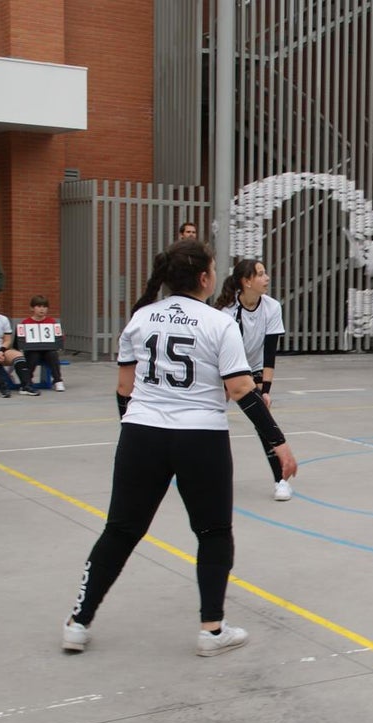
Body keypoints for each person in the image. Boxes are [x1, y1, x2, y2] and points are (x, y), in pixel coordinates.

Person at [62, 239, 297, 656]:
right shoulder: (218, 323)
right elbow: (242, 389)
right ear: (205, 278)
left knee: (119, 530)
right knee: (212, 532)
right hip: (200, 437)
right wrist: (277, 441)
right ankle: (211, 630)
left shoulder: (140, 319)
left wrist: (134, 435)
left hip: (142, 434)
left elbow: (124, 389)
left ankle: (78, 622)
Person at [213, 259, 292, 501]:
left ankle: (281, 480)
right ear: (246, 282)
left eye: (265, 272)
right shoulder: (226, 311)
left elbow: (270, 353)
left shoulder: (271, 307)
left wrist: (265, 390)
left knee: (263, 422)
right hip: (225, 368)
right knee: (211, 418)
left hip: (254, 368)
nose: (267, 278)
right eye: (260, 274)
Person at [0, 295, 40, 397]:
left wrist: (1, 351)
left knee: (18, 355)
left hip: (1, 349)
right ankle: (3, 386)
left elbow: (7, 340)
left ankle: (26, 386)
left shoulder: (3, 319)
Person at [19, 295, 65, 391]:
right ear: (32, 308)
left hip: (47, 350)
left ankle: (58, 380)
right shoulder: (25, 322)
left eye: (44, 307)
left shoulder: (51, 322)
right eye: (39, 306)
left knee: (53, 354)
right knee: (33, 356)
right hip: (32, 350)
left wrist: (59, 340)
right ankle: (28, 381)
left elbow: (59, 338)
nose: (42, 309)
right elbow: (21, 340)